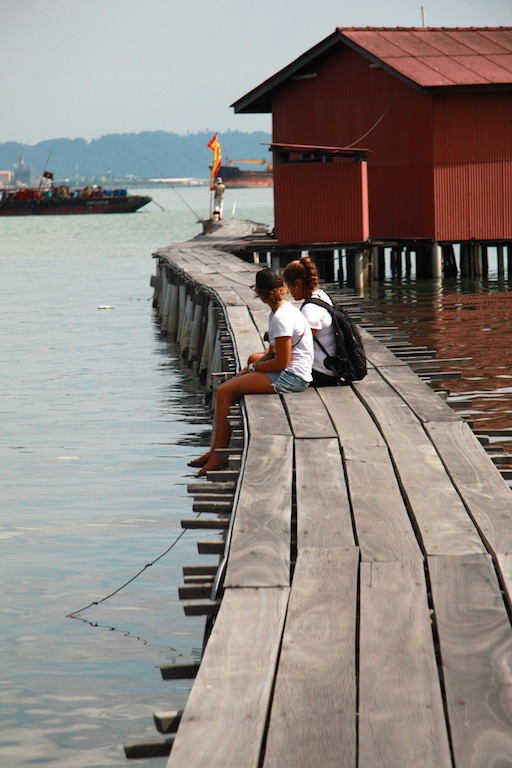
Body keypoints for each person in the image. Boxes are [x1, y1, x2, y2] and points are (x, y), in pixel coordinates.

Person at [188, 267, 313, 475]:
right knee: (250, 362)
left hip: (292, 378)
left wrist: (253, 369)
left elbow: (281, 362)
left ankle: (219, 456)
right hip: (292, 372)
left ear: (260, 293)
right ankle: (214, 450)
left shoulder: (281, 318)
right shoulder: (282, 310)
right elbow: (272, 353)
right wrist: (247, 370)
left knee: (224, 392)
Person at [283, 256, 338, 387]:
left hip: (320, 372)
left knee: (259, 365)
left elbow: (300, 345)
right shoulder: (322, 296)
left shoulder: (310, 309)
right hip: (329, 368)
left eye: (289, 287)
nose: (289, 293)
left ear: (298, 284)